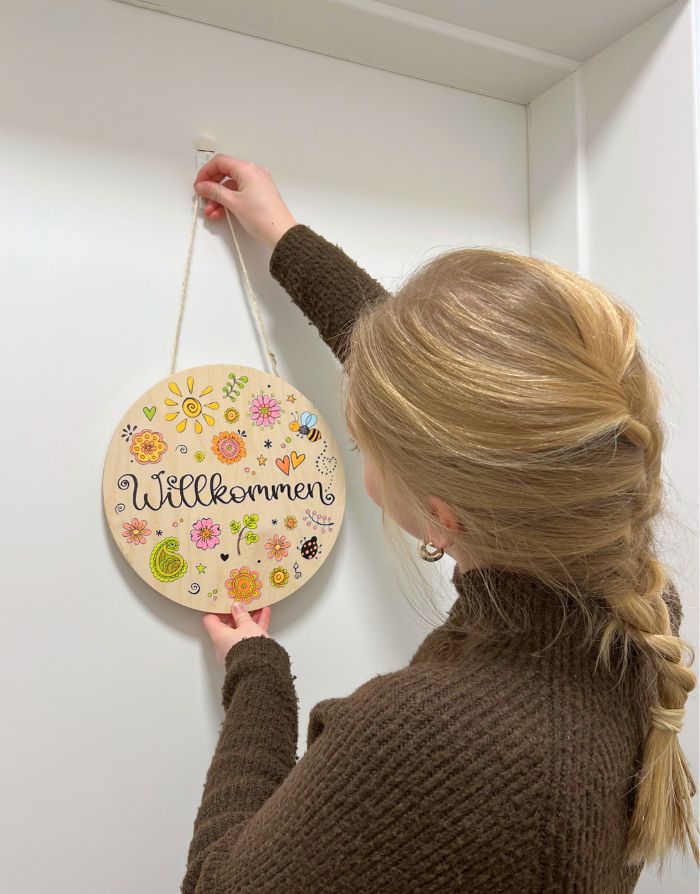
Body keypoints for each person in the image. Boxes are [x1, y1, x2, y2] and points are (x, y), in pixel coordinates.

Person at [180, 155, 698, 893]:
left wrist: (257, 676)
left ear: (441, 514)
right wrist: (284, 236)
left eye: (363, 445)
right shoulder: (627, 604)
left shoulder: (431, 741)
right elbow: (466, 396)